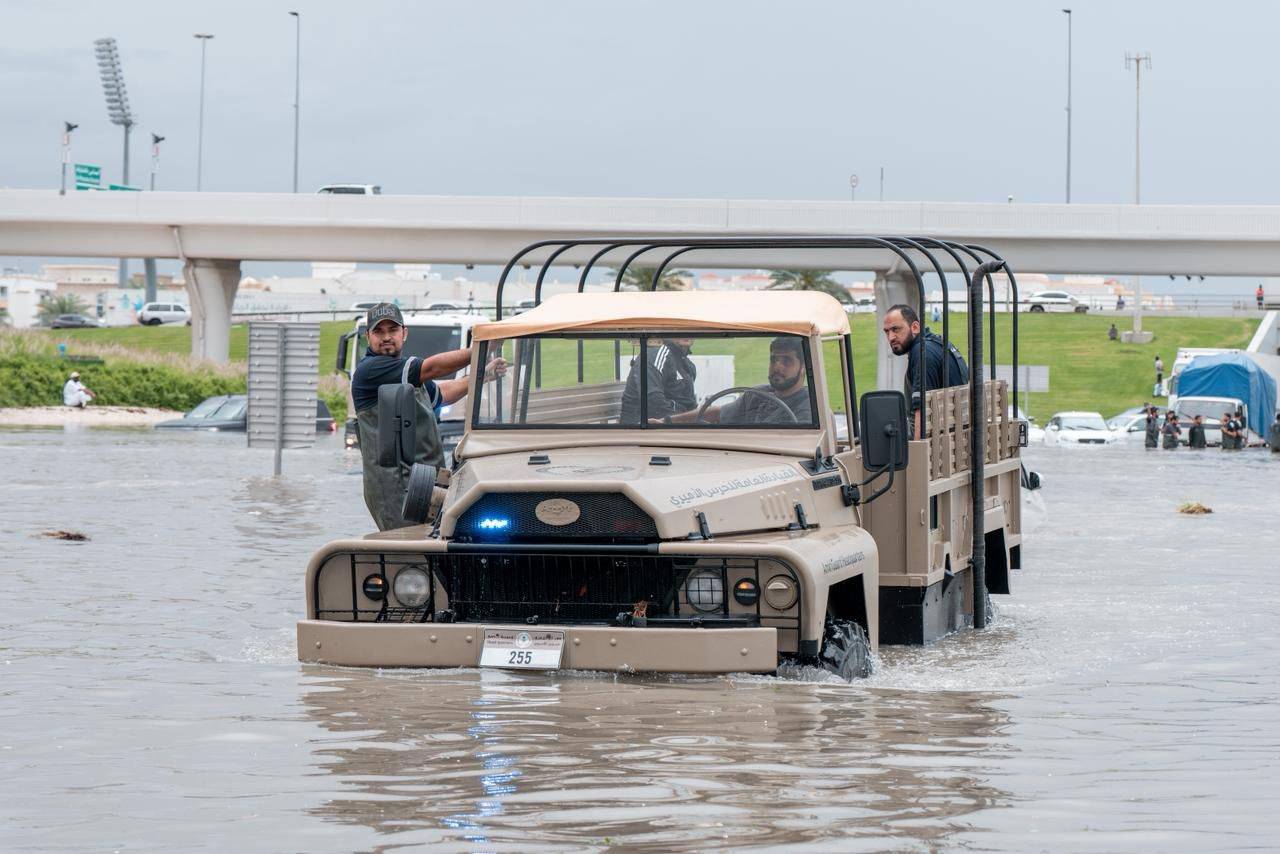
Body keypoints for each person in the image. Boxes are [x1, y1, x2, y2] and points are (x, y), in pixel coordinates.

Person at [351, 303, 507, 530]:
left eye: (392, 330)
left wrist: (484, 374)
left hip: (425, 483)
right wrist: (483, 349)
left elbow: (444, 393)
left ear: (404, 333)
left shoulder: (406, 374)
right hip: (395, 488)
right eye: (378, 332)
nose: (386, 337)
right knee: (410, 554)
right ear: (368, 337)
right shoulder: (371, 370)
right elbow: (431, 368)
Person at [665, 337, 813, 425]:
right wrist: (667, 422)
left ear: (803, 368)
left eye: (787, 361)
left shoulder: (811, 408)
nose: (777, 367)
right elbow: (718, 413)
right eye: (773, 360)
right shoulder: (757, 394)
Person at [881, 303, 969, 437]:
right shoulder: (938, 343)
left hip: (937, 443)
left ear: (915, 327)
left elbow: (921, 411)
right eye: (887, 331)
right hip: (954, 436)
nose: (891, 337)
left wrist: (917, 454)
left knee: (877, 431)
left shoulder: (922, 353)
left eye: (896, 329)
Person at [619, 337, 696, 425]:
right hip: (641, 427)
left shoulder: (688, 365)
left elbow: (689, 403)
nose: (685, 334)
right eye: (679, 328)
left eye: (688, 329)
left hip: (670, 424)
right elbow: (652, 401)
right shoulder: (654, 355)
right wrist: (684, 420)